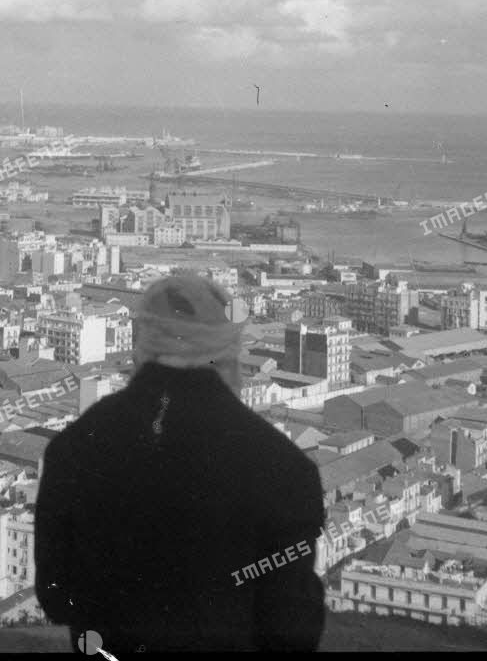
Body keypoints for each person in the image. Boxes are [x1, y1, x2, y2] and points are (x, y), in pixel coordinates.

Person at [35, 273, 326, 654]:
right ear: (229, 352)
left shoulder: (73, 449)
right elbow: (293, 626)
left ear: (142, 346)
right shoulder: (284, 468)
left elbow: (57, 598)